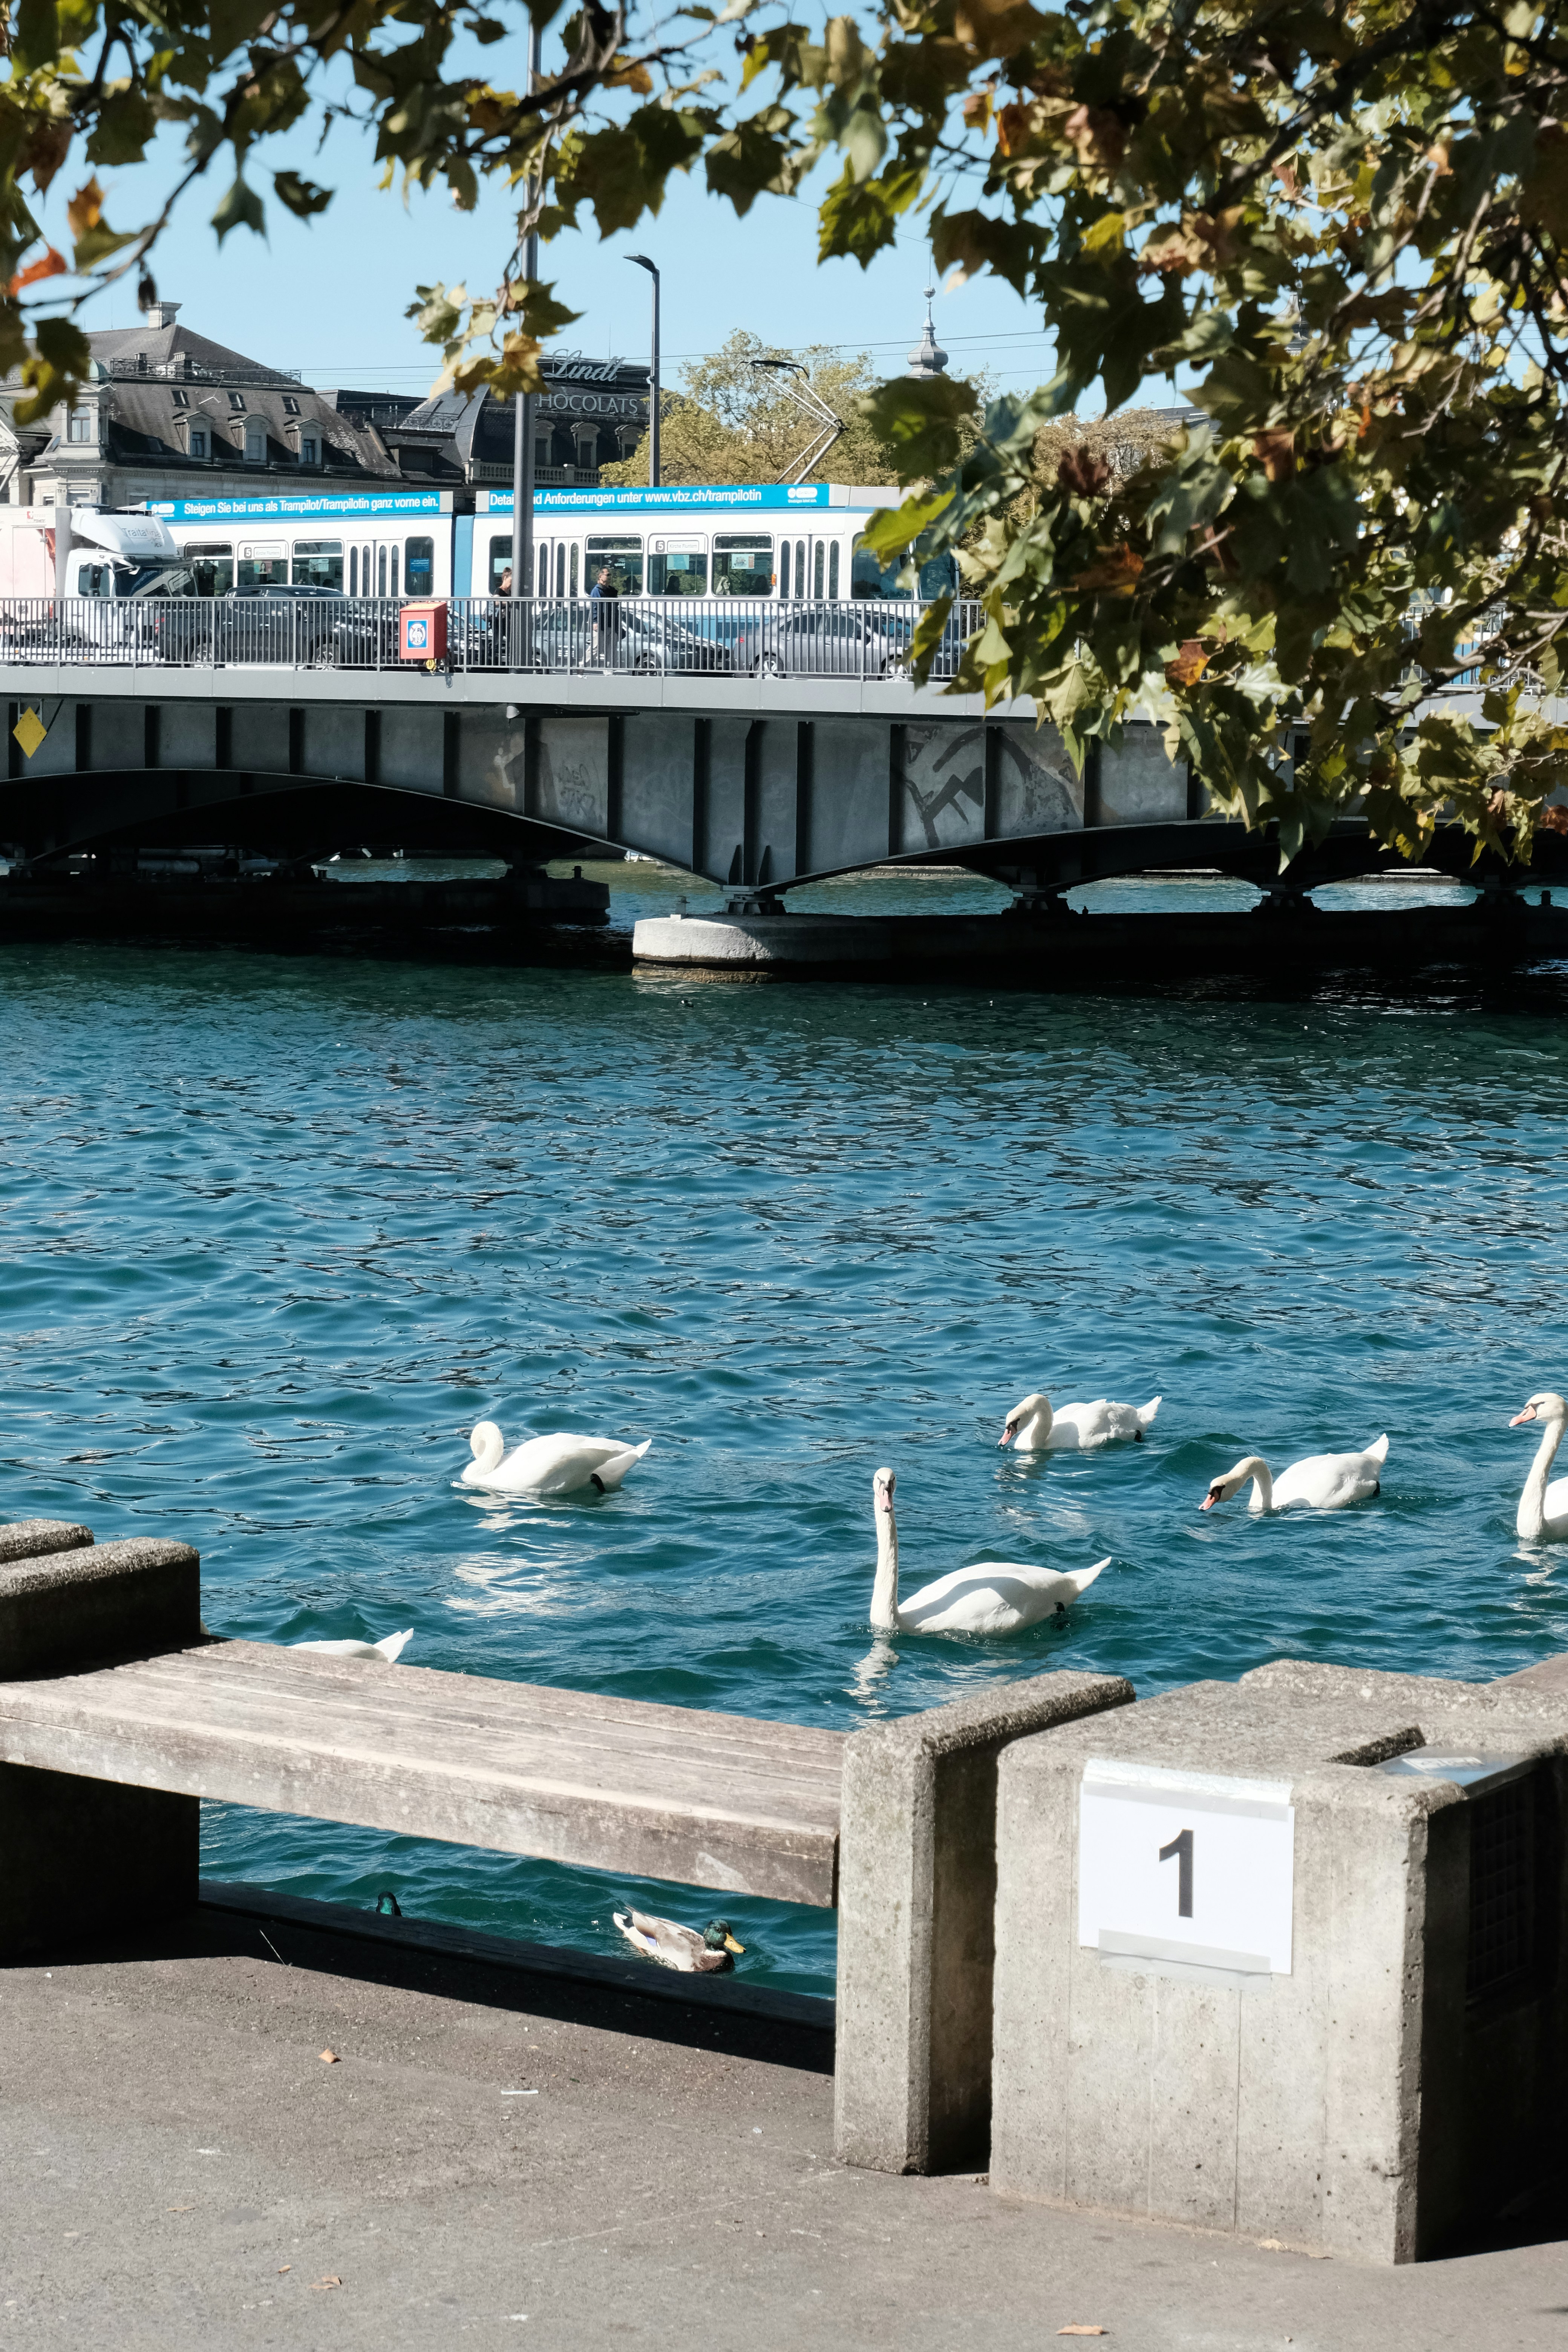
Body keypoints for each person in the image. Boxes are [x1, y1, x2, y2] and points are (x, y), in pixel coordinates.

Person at [590, 563, 620, 663]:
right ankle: (581, 667)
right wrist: (595, 621)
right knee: (596, 647)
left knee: (612, 649)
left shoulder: (612, 591)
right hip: (601, 624)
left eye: (611, 575)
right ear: (600, 576)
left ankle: (609, 670)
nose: (610, 577)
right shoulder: (597, 591)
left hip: (612, 624)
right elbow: (595, 607)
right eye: (608, 575)